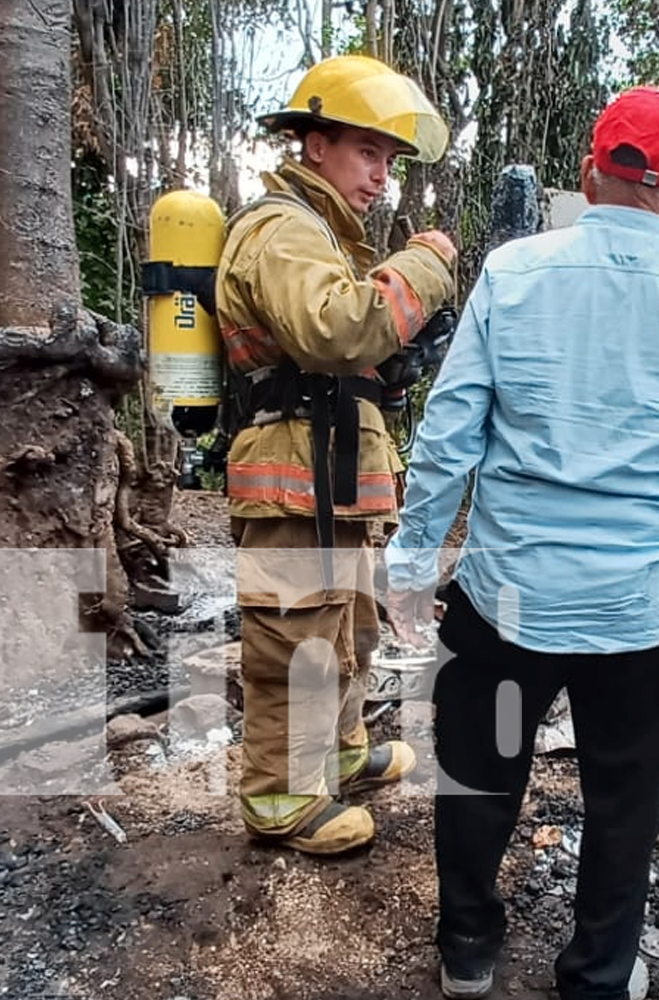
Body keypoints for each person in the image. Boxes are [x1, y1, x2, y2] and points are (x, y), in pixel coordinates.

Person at [385, 87, 659, 1000]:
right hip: (647, 615)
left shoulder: (514, 274)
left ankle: (468, 949)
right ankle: (598, 975)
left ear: (586, 175)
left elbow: (449, 436)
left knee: (479, 775)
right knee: (624, 802)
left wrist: (410, 565)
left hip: (508, 600)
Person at [215, 54, 458, 856]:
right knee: (296, 641)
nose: (381, 177)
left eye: (389, 160)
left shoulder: (323, 237)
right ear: (313, 143)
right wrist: (427, 260)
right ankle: (281, 801)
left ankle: (342, 756)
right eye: (368, 153)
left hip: (332, 480)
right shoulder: (281, 228)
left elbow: (351, 353)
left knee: (345, 627)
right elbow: (335, 328)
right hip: (290, 479)